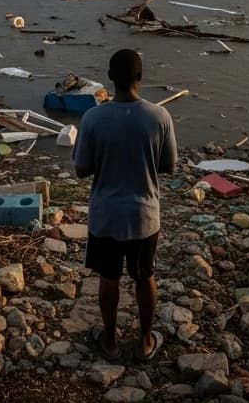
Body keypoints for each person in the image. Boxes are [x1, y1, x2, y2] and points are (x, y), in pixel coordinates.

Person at [73, 49, 177, 363]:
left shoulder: (93, 117)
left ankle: (110, 340)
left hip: (106, 215)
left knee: (109, 277)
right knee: (145, 276)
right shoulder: (159, 116)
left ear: (110, 78)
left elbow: (81, 169)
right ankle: (146, 341)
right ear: (140, 78)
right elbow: (168, 165)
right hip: (145, 215)